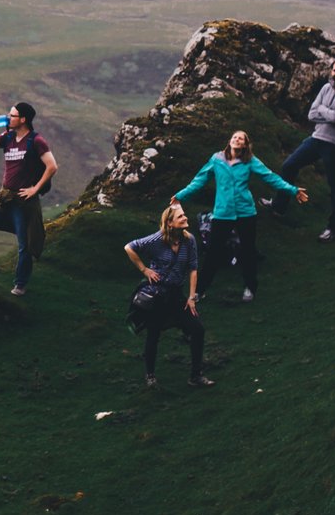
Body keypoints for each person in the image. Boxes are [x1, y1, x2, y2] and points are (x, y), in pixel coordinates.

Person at [172, 129, 307, 302]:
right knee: (213, 253)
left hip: (246, 213)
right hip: (222, 214)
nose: (237, 139)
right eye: (235, 137)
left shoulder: (250, 161)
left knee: (248, 251)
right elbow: (199, 180)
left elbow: (270, 177)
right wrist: (180, 196)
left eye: (241, 138)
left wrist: (293, 190)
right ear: (229, 141)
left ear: (245, 144)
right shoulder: (217, 159)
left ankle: (250, 288)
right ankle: (199, 291)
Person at [0, 101, 55, 296]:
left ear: (23, 119)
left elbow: (52, 166)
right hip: (5, 198)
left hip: (23, 202)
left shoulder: (36, 141)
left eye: (12, 115)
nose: (8, 118)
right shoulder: (8, 137)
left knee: (25, 244)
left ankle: (20, 284)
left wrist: (35, 189)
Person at [124, 202, 209, 388]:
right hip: (158, 295)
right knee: (153, 335)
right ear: (169, 223)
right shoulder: (157, 240)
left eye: (184, 215)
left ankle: (196, 376)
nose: (185, 218)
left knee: (197, 329)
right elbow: (129, 247)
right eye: (180, 217)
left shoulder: (189, 240)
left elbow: (193, 269)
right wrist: (145, 270)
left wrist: (192, 297)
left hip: (177, 296)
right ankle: (150, 375)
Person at [279, 56, 335, 241]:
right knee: (289, 165)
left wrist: (323, 110)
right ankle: (279, 206)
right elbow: (311, 114)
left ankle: (334, 229)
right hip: (317, 138)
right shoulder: (326, 87)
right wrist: (328, 112)